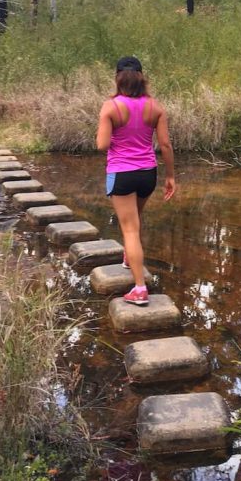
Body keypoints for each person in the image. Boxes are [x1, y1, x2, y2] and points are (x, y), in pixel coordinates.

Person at [95, 56, 176, 305]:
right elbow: (164, 145)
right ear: (142, 76)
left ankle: (140, 289)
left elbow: (102, 145)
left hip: (122, 174)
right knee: (135, 221)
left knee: (129, 228)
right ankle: (131, 259)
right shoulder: (155, 106)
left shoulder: (111, 107)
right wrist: (171, 176)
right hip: (147, 174)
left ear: (117, 77)